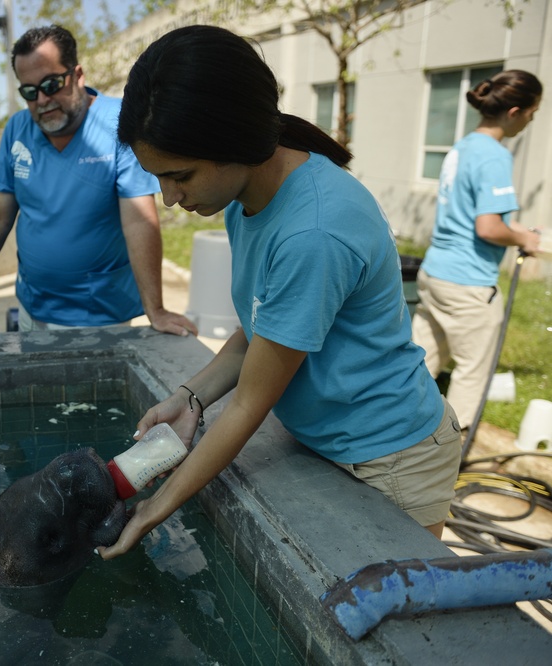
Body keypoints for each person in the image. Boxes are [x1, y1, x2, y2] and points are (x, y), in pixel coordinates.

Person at [97, 25, 462, 560]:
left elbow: (249, 404)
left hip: (389, 457)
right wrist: (189, 397)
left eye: (180, 176)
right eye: (159, 179)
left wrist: (157, 506)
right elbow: (260, 331)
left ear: (234, 144)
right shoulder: (251, 195)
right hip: (327, 441)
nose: (170, 199)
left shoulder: (313, 232)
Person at [0, 25, 196, 336]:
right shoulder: (18, 129)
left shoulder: (120, 124)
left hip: (102, 315)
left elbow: (139, 221)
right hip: (34, 307)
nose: (42, 99)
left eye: (51, 83)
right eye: (29, 91)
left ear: (78, 75)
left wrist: (156, 309)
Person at [411, 71, 543, 430]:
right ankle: (453, 456)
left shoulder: (463, 146)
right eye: (533, 112)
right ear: (514, 111)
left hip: (436, 274)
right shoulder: (494, 156)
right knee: (471, 375)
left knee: (416, 367)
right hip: (469, 284)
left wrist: (515, 230)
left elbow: (467, 214)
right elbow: (487, 227)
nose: (531, 121)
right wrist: (524, 239)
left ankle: (392, 438)